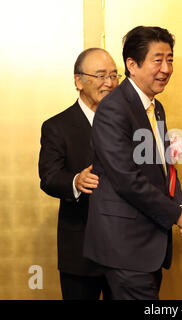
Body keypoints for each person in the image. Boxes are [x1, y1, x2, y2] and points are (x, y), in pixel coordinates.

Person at [83, 26, 182, 300]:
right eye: (157, 60)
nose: (166, 68)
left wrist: (181, 205)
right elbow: (127, 179)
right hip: (125, 243)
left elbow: (164, 167)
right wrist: (176, 215)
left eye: (170, 59)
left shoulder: (155, 106)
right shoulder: (113, 109)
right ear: (131, 65)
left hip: (147, 242)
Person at [38, 48, 120, 299]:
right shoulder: (57, 126)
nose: (109, 83)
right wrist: (76, 180)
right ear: (78, 81)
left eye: (114, 75)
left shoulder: (129, 123)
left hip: (125, 250)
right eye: (100, 75)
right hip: (81, 249)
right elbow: (49, 177)